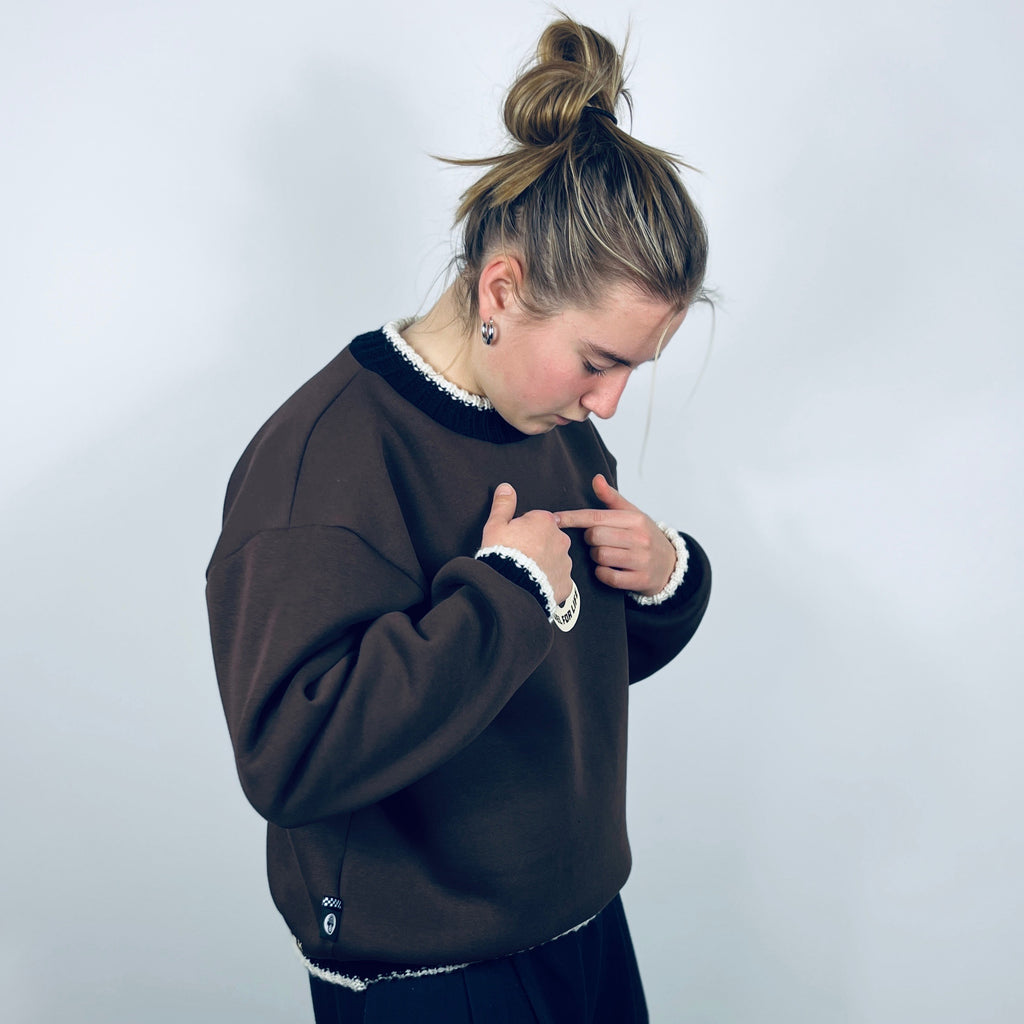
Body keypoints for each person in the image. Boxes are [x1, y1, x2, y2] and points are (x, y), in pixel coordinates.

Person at [206, 15, 712, 1023]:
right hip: (431, 976)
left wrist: (662, 580)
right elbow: (290, 759)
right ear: (502, 289)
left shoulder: (549, 417)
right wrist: (504, 594)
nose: (609, 403)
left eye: (633, 369)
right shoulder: (325, 460)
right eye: (599, 361)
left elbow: (558, 662)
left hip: (584, 924)